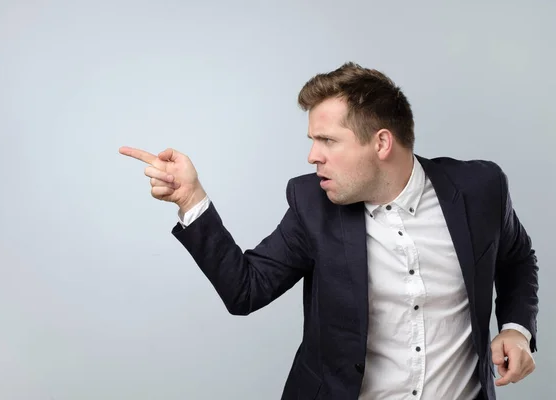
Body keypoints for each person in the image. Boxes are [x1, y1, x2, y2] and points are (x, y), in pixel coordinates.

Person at [119, 62, 538, 400]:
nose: (312, 156)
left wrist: (516, 329)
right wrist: (191, 200)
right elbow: (245, 290)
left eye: (327, 141)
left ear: (381, 143)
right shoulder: (312, 205)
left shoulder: (481, 189)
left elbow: (517, 257)